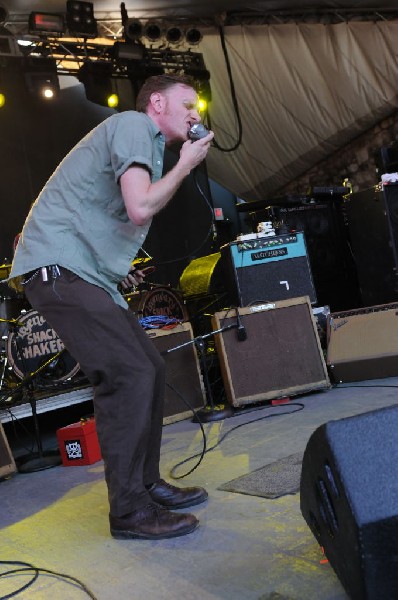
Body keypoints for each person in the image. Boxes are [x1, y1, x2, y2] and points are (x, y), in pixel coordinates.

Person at [8, 74, 214, 540]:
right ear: (157, 102)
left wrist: (114, 268)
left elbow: (99, 209)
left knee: (150, 368)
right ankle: (129, 511)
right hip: (60, 272)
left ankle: (145, 485)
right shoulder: (134, 125)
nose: (195, 115)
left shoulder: (142, 139)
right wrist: (185, 165)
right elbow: (140, 207)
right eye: (188, 104)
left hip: (81, 272)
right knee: (129, 374)